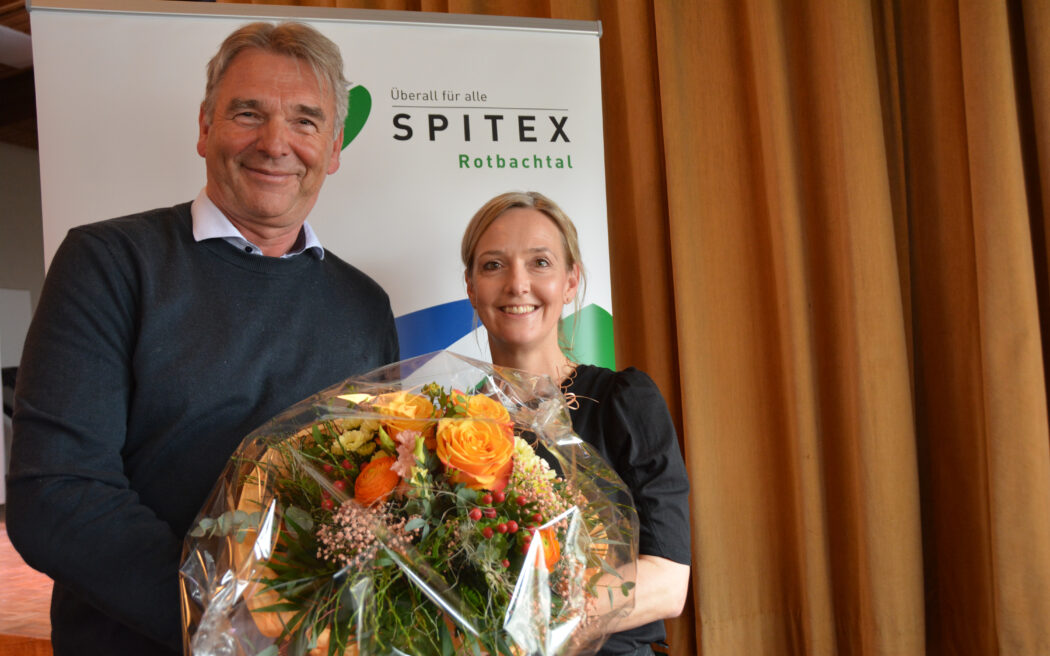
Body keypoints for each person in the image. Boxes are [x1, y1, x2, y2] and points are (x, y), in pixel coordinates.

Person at [6, 22, 399, 656]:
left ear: (332, 150)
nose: (275, 143)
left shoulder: (365, 305)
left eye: (305, 121)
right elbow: (56, 494)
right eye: (248, 113)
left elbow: (378, 493)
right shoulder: (109, 264)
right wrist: (233, 627)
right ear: (205, 127)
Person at [461, 191, 691, 656]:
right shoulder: (450, 429)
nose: (517, 284)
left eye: (540, 262)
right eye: (493, 265)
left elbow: (667, 582)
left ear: (571, 282)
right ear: (471, 287)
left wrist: (524, 628)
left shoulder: (622, 402)